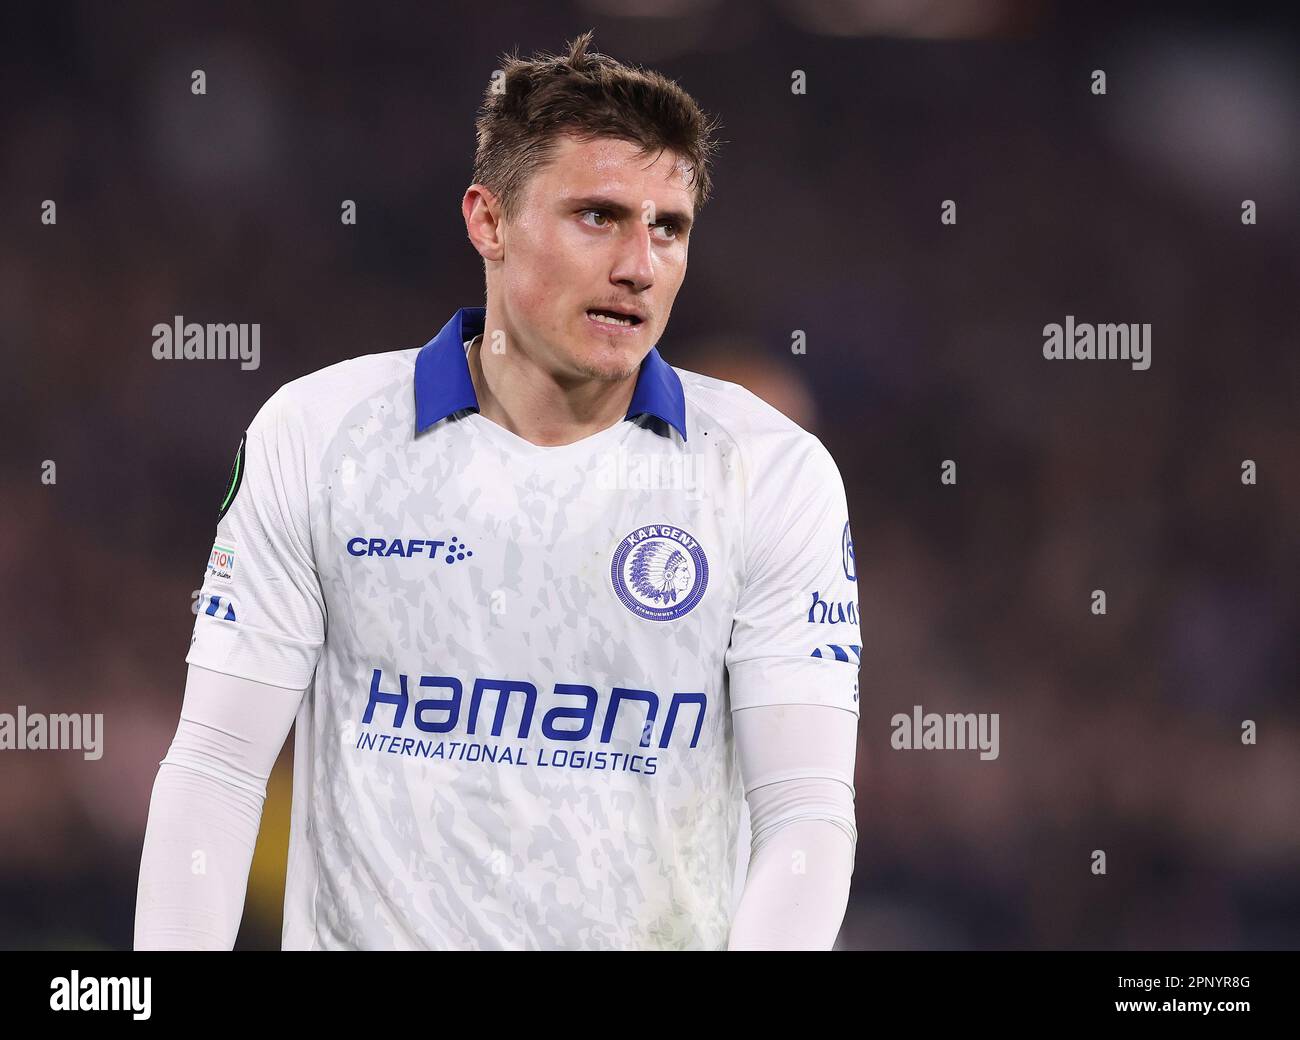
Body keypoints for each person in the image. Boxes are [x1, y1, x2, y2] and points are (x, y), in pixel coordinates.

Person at [134, 30, 861, 951]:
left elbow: (804, 812)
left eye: (667, 227)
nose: (640, 264)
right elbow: (218, 769)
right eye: (598, 216)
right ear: (488, 221)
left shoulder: (770, 473)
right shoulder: (321, 437)